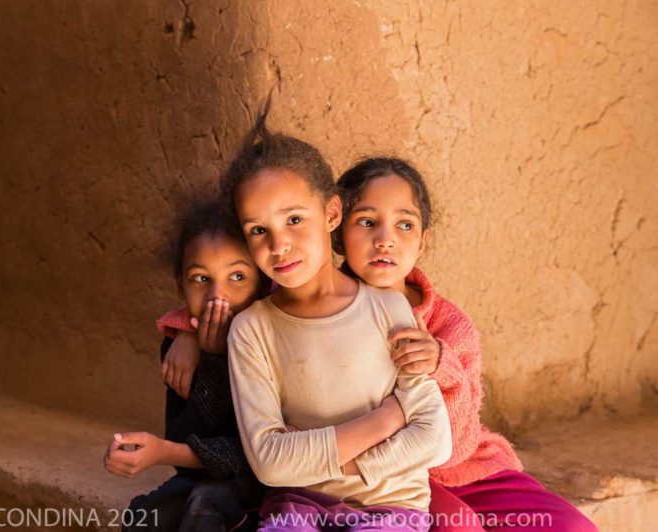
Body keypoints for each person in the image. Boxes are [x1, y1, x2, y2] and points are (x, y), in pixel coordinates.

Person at [219, 103, 452, 531]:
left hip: (393, 510)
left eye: (294, 219)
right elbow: (270, 463)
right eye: (258, 230)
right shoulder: (252, 330)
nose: (279, 244)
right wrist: (388, 418)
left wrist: (321, 459)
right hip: (296, 511)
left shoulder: (386, 307)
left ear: (330, 214)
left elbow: (435, 440)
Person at [336, 157, 598, 531]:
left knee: (571, 528)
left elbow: (455, 449)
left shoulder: (450, 327)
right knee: (458, 526)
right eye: (366, 222)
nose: (385, 239)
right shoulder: (323, 310)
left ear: (423, 242)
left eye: (405, 225)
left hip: (461, 469)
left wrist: (443, 367)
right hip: (377, 474)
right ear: (337, 231)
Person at [104, 199, 268, 531]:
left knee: (203, 509)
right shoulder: (177, 346)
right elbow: (181, 434)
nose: (217, 296)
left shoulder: (271, 345)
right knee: (142, 519)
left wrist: (220, 358)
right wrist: (205, 352)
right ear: (181, 287)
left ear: (262, 283)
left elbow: (249, 458)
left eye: (237, 276)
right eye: (199, 279)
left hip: (263, 486)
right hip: (203, 475)